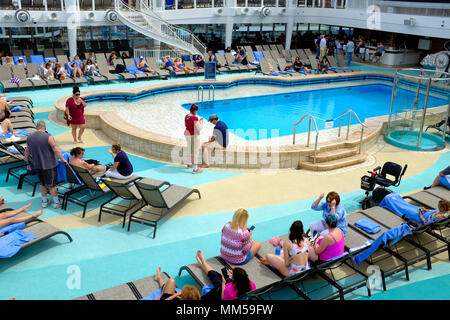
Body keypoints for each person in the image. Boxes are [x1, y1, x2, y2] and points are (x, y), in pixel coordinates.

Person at [24, 121, 68, 209]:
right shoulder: (48, 137)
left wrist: (27, 161)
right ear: (45, 128)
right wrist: (62, 159)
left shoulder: (29, 137)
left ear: (36, 127)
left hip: (37, 165)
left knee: (42, 184)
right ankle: (56, 202)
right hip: (49, 165)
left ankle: (44, 201)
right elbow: (56, 150)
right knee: (52, 185)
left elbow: (27, 151)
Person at [184, 103, 203, 174]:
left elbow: (185, 125)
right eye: (197, 111)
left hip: (187, 134)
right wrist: (201, 122)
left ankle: (189, 163)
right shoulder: (195, 118)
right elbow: (199, 128)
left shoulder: (186, 116)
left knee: (189, 148)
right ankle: (195, 168)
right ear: (195, 111)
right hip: (194, 135)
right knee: (195, 151)